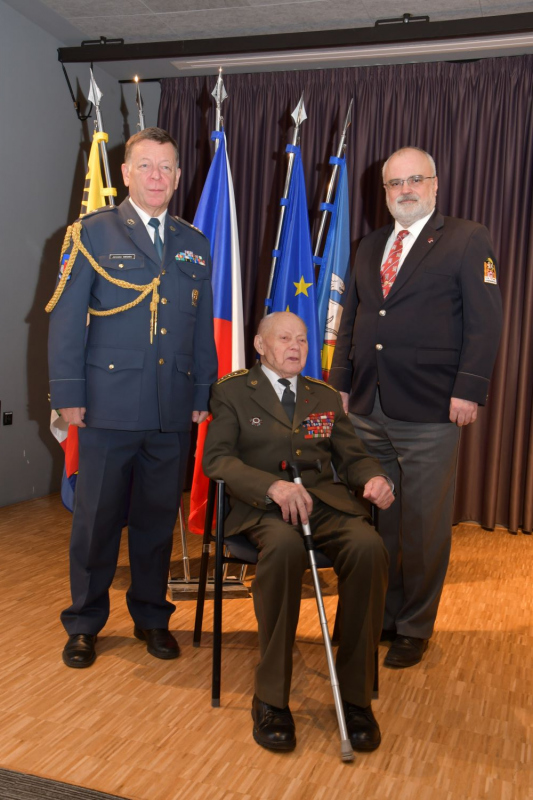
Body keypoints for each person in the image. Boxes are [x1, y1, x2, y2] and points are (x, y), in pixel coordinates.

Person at [47, 127, 217, 668]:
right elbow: (66, 321)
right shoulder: (91, 234)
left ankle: (151, 617)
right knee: (95, 522)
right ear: (125, 173)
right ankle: (84, 623)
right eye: (145, 165)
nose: (156, 177)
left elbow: (199, 328)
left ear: (178, 175)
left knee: (156, 520)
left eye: (166, 167)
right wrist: (68, 394)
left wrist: (202, 391)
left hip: (171, 408)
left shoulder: (194, 242)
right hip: (107, 405)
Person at [329, 146, 502, 669]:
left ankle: (414, 626)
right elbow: (352, 319)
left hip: (431, 408)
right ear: (384, 191)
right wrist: (340, 384)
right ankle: (380, 614)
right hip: (368, 404)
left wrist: (469, 389)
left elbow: (485, 322)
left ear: (434, 184)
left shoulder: (467, 239)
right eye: (395, 183)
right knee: (378, 520)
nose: (405, 190)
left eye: (415, 180)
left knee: (423, 527)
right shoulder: (368, 245)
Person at [203, 311, 394, 753]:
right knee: (285, 550)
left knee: (368, 548)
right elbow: (218, 459)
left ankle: (355, 699)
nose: (296, 347)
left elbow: (352, 455)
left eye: (303, 339)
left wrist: (373, 477)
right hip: (264, 508)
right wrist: (271, 486)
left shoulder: (322, 396)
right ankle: (271, 699)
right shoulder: (232, 392)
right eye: (285, 338)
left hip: (322, 504)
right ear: (260, 345)